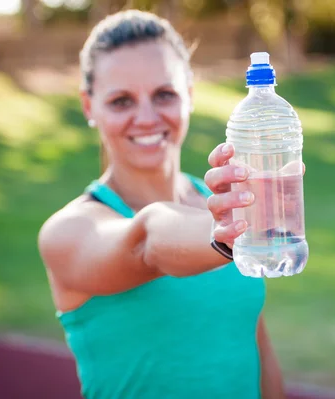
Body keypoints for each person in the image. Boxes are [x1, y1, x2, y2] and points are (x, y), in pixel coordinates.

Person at [37, 9, 287, 399]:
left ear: (189, 93)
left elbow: (256, 349)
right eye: (121, 101)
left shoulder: (222, 204)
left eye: (164, 94)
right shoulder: (67, 232)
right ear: (89, 106)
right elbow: (146, 242)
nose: (147, 118)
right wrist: (227, 232)